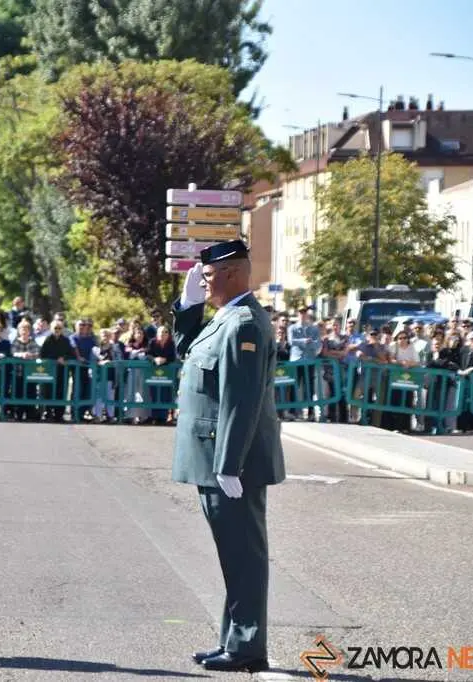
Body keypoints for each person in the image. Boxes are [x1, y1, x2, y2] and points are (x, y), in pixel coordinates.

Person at [171, 240, 285, 673]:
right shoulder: (225, 318)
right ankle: (234, 639)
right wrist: (188, 305)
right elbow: (186, 350)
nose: (203, 279)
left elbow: (242, 399)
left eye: (209, 274)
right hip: (216, 457)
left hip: (231, 461)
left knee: (243, 555)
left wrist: (229, 463)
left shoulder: (244, 324)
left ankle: (247, 646)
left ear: (234, 274)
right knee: (232, 554)